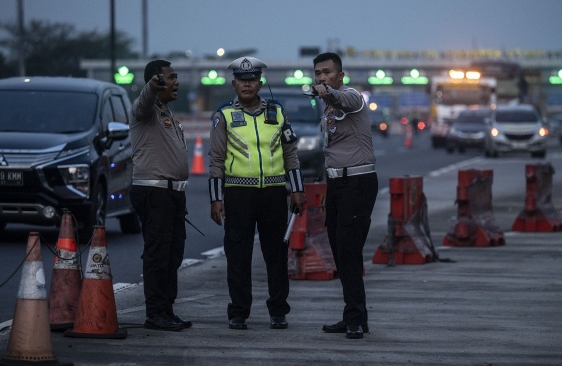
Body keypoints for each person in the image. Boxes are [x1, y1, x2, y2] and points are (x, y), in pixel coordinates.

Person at [208, 56, 306, 331]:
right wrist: (216, 198)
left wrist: (297, 190)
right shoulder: (223, 115)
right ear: (234, 84)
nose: (247, 85)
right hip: (238, 195)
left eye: (252, 80)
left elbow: (291, 155)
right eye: (242, 80)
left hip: (274, 194)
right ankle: (238, 312)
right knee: (238, 255)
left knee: (276, 255)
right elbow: (215, 160)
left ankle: (278, 311)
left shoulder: (277, 113)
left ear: (260, 84)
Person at [310, 52, 378, 339]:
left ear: (341, 75)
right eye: (318, 73)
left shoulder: (351, 97)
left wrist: (329, 93)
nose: (322, 77)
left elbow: (345, 100)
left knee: (349, 252)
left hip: (358, 183)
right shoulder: (327, 109)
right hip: (337, 185)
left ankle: (355, 320)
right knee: (340, 254)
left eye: (327, 72)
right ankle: (354, 314)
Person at [129, 59, 192, 331]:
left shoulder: (166, 112)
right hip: (154, 192)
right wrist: (151, 88)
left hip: (172, 195)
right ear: (156, 81)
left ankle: (166, 310)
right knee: (157, 254)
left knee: (173, 254)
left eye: (176, 76)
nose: (176, 81)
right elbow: (143, 102)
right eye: (171, 77)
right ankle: (155, 313)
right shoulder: (144, 110)